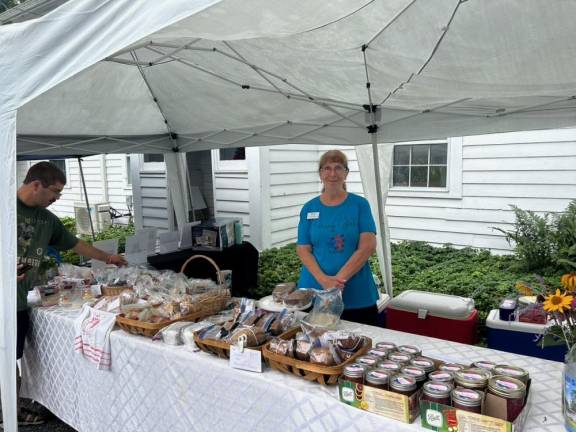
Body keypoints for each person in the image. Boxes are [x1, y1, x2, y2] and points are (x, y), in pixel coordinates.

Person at [13, 161, 127, 426]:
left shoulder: (46, 219)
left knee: (10, 359)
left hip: (18, 302)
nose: (57, 199)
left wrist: (108, 257)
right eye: (55, 192)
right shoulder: (4, 208)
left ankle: (13, 407)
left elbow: (76, 244)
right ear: (35, 184)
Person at [296, 150, 380, 326]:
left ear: (346, 173)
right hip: (315, 292)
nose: (332, 173)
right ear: (320, 174)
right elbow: (303, 249)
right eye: (327, 168)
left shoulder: (359, 205)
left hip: (356, 294)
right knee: (315, 346)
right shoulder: (308, 208)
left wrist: (336, 282)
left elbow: (368, 246)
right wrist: (324, 281)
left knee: (361, 344)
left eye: (338, 168)